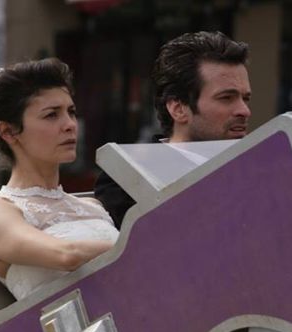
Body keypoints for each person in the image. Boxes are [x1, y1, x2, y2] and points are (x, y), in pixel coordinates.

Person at [0, 59, 118, 301]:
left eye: (71, 112)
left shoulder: (92, 206)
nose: (70, 125)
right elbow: (67, 255)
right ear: (8, 131)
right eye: (51, 115)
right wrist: (138, 246)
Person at [95, 31, 251, 227]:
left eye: (246, 98)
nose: (244, 111)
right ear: (178, 109)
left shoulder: (258, 167)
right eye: (226, 98)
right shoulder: (128, 176)